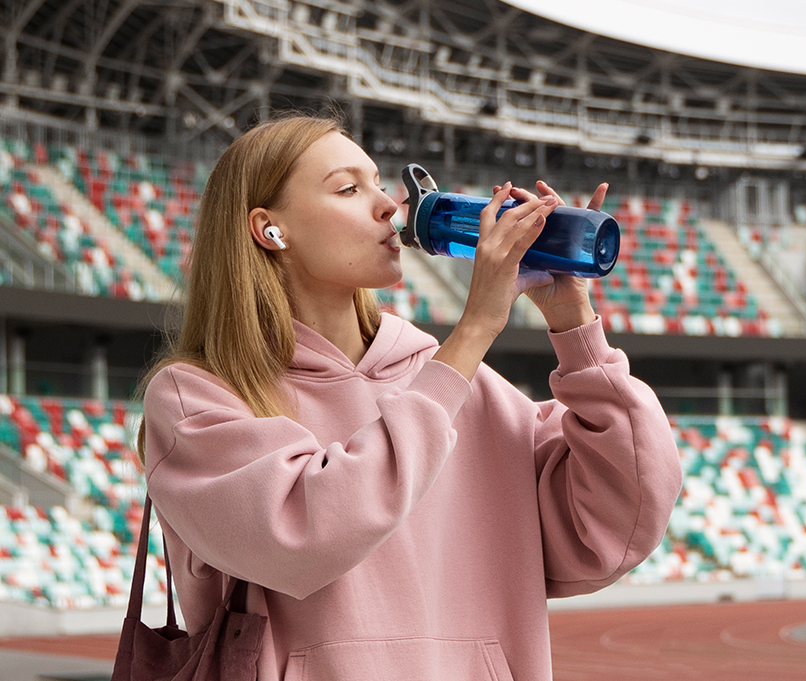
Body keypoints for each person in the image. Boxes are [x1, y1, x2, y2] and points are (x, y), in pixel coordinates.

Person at [136, 114, 682, 680]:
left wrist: (577, 330)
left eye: (379, 184)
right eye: (349, 188)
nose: (388, 207)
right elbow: (304, 534)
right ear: (270, 229)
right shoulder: (197, 397)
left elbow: (616, 525)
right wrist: (473, 332)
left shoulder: (461, 386)